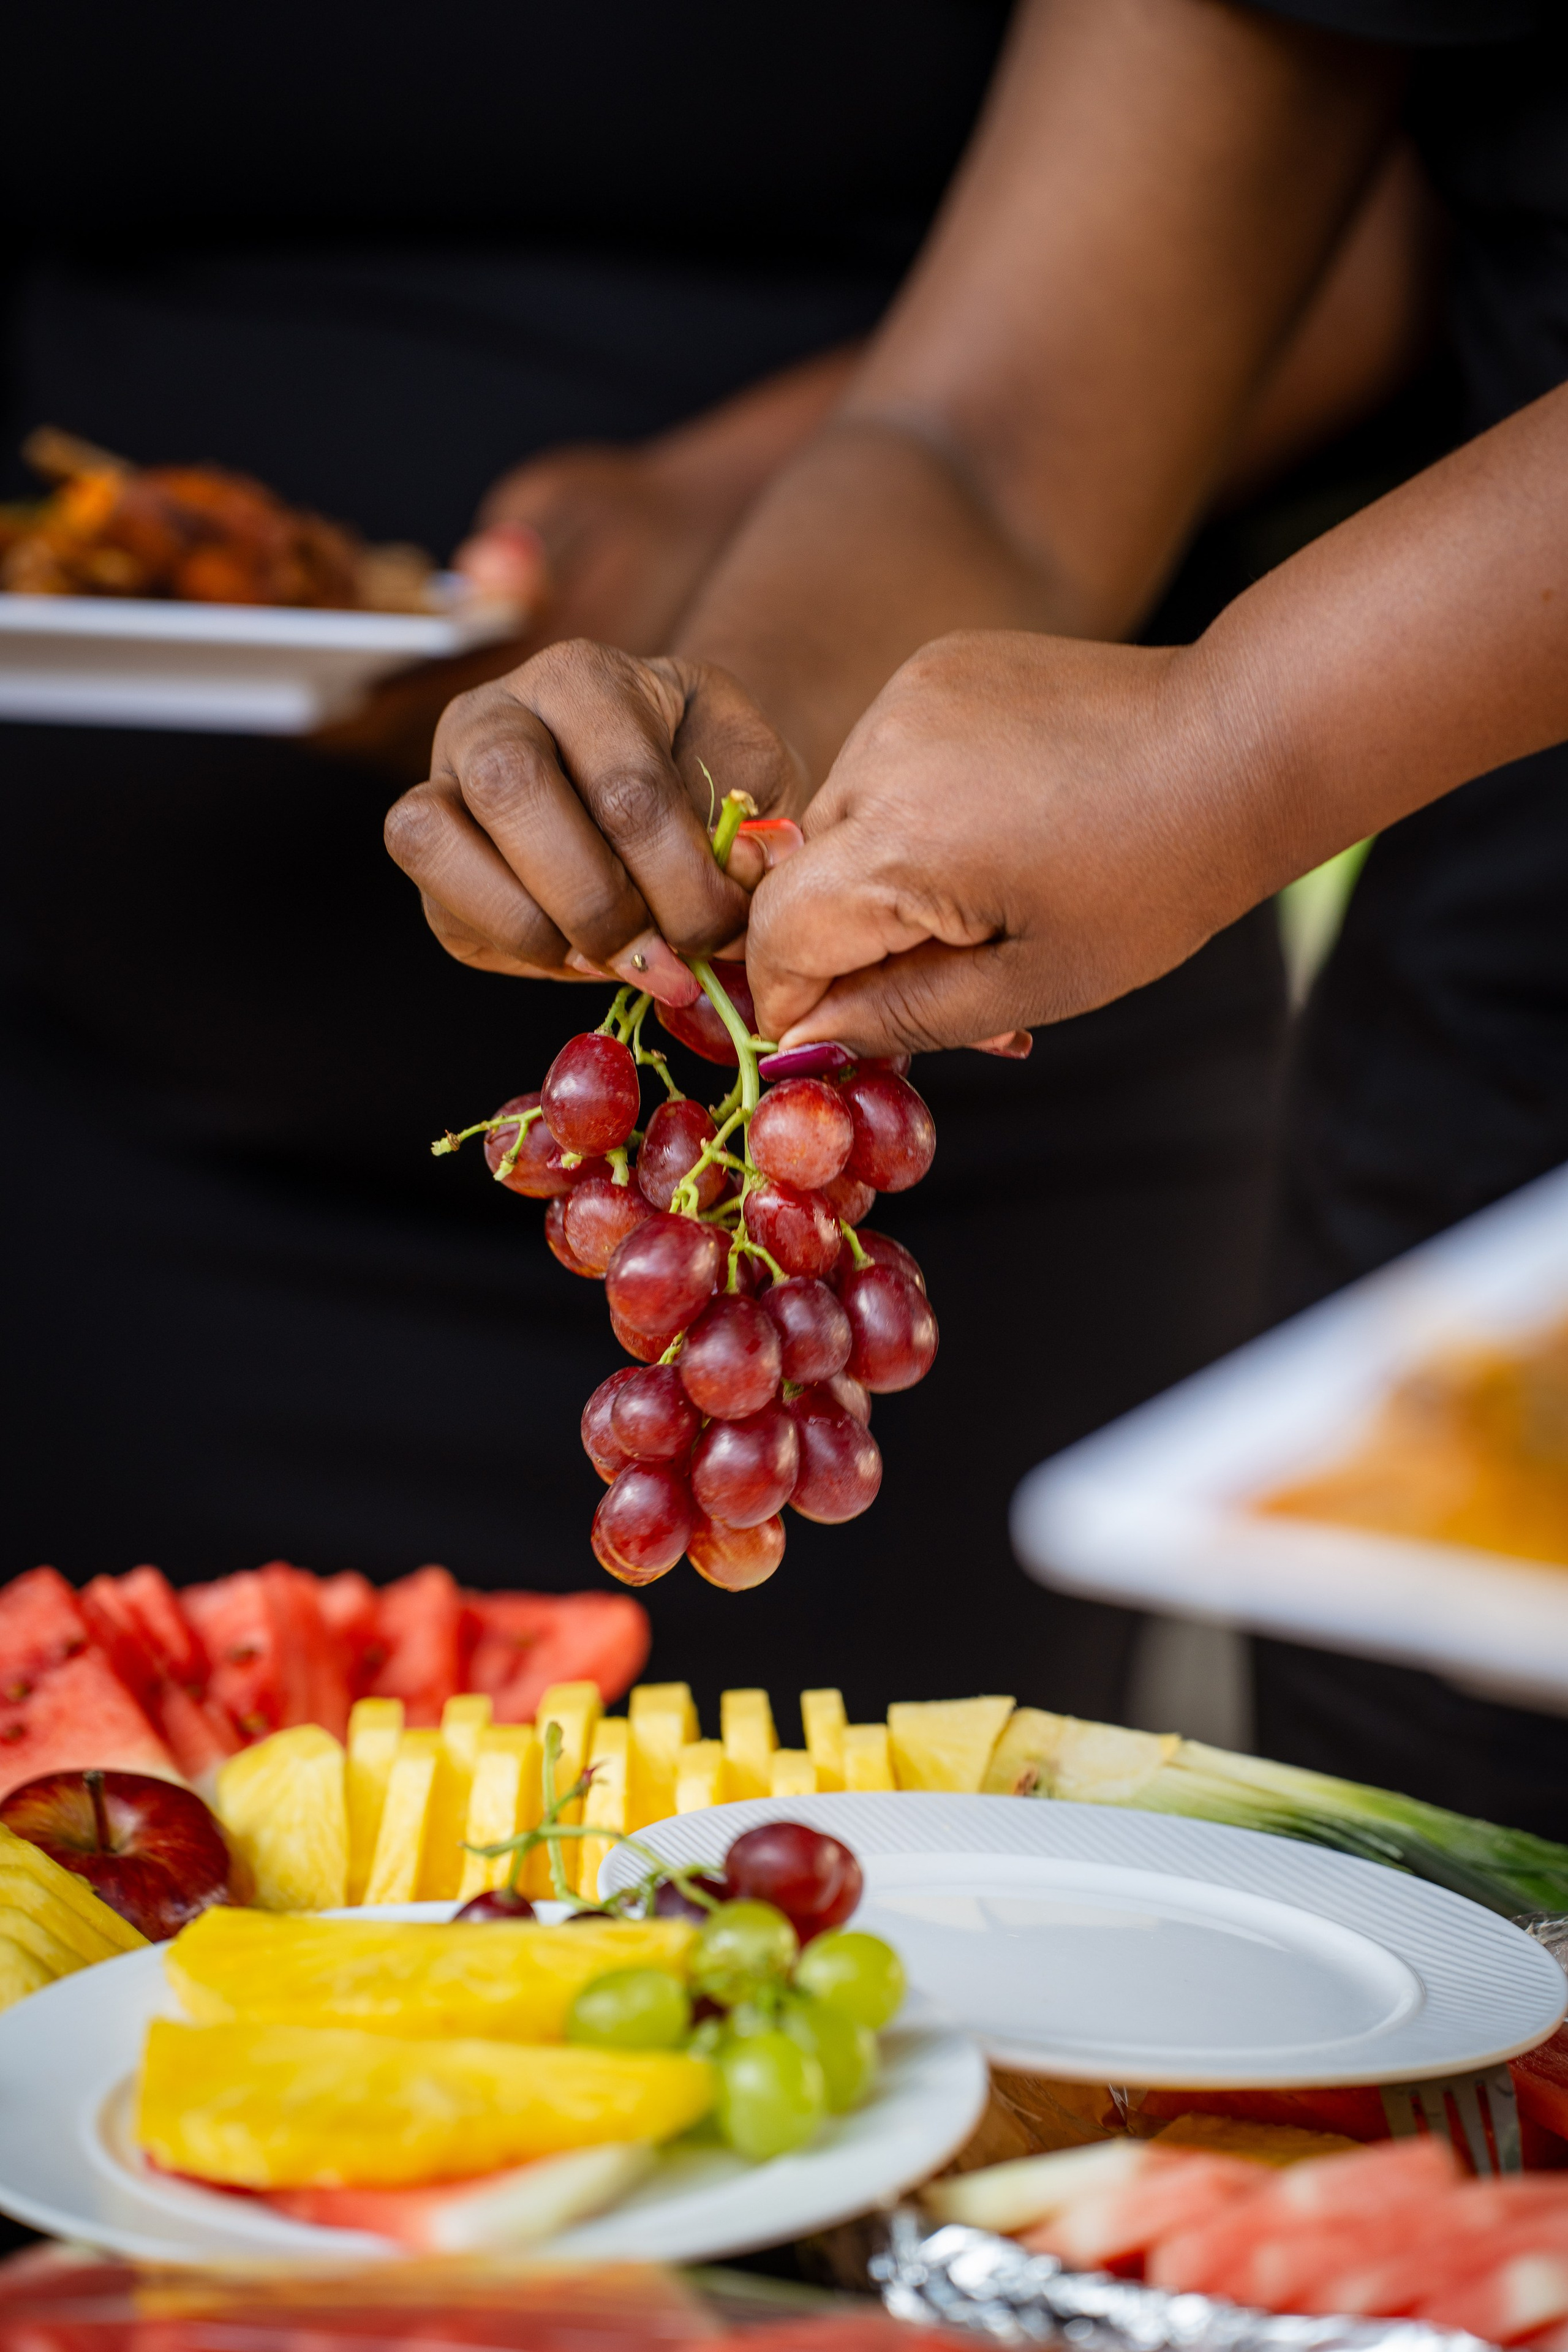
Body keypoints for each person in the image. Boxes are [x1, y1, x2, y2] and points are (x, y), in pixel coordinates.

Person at [2, 0, 1423, 1719]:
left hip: (989, 1111)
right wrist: (715, 713)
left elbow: (1306, 261)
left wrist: (1226, 750)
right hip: (99, 1158)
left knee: (846, 1923)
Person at [383, 0, 1568, 1824]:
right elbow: (990, 438)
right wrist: (730, 721)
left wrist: (1243, 740)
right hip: (1505, 1072)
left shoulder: (1253, 750)